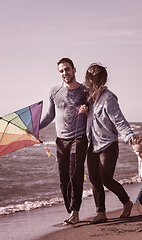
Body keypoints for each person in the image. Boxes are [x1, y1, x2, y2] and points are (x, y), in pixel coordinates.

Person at [80, 63, 135, 224]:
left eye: (96, 78)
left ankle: (126, 202)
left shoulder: (108, 98)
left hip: (108, 145)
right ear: (88, 79)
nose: (93, 81)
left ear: (103, 79)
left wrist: (129, 135)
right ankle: (101, 213)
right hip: (92, 144)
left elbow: (119, 120)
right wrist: (83, 112)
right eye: (91, 78)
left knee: (106, 178)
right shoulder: (88, 97)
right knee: (94, 178)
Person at [39, 58, 88, 224]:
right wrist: (36, 128)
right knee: (63, 178)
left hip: (79, 137)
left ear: (74, 69)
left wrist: (86, 109)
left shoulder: (85, 91)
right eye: (61, 71)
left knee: (76, 173)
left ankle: (75, 212)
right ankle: (70, 208)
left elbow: (94, 112)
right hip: (61, 140)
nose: (65, 73)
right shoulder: (54, 91)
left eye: (67, 69)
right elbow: (50, 115)